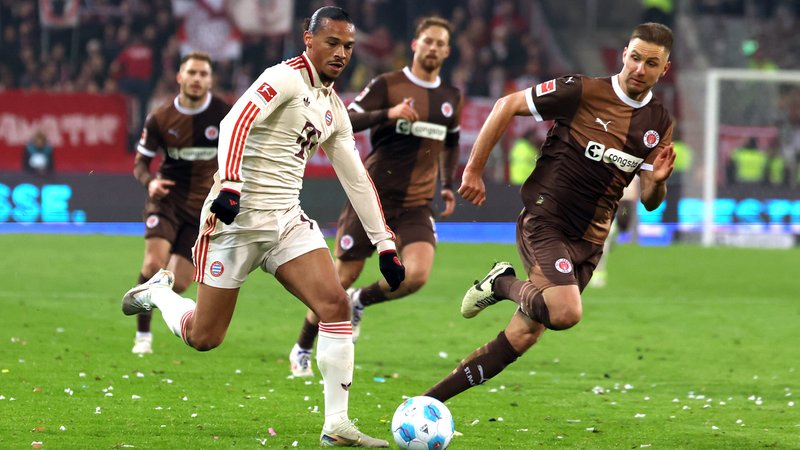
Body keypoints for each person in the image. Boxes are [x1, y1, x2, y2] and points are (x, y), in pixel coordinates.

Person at [120, 7, 403, 447]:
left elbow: (356, 178)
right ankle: (159, 291)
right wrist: (230, 182)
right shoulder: (284, 77)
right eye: (332, 42)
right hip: (235, 222)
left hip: (287, 221)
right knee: (204, 337)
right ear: (308, 40)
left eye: (348, 46)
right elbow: (235, 121)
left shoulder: (332, 108)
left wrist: (384, 241)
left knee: (335, 306)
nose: (341, 53)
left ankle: (336, 424)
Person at [422, 22, 677, 403]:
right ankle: (500, 283)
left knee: (524, 334)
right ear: (624, 54)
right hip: (547, 220)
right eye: (635, 58)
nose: (640, 68)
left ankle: (427, 403)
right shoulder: (583, 90)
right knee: (565, 312)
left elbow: (651, 202)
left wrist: (656, 181)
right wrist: (472, 169)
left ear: (664, 69)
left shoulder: (658, 123)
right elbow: (506, 105)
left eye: (651, 63)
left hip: (589, 241)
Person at [288, 16, 462, 376]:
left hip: (416, 204)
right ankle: (303, 345)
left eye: (440, 43)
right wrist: (389, 114)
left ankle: (360, 302)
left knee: (415, 276)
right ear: (415, 45)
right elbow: (345, 117)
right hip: (373, 199)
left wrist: (447, 184)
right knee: (339, 279)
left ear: (447, 51)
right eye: (427, 40)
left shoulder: (451, 98)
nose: (433, 47)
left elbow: (451, 143)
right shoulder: (388, 84)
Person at [128, 51, 230, 355]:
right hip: (167, 201)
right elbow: (140, 165)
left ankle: (153, 299)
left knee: (180, 283)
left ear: (210, 80)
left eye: (203, 74)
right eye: (192, 73)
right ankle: (143, 336)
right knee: (152, 264)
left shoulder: (224, 114)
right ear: (180, 77)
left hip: (202, 209)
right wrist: (151, 182)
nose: (197, 79)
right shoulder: (160, 118)